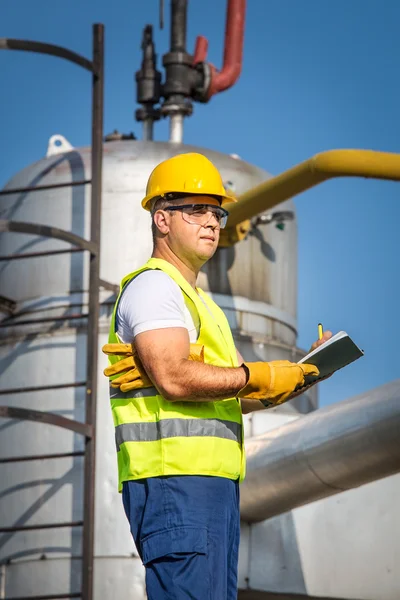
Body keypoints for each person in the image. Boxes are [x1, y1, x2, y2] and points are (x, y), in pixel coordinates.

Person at [103, 152, 331, 600]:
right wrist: (253, 374)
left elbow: (223, 389)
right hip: (176, 481)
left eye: (217, 211)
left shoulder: (197, 301)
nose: (211, 221)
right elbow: (173, 377)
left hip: (208, 486)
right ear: (162, 218)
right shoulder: (155, 287)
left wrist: (295, 375)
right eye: (196, 209)